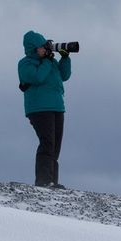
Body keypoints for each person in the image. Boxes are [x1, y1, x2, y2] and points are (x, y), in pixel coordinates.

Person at [17, 30, 72, 189]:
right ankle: (43, 181)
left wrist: (65, 57)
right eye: (42, 46)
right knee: (47, 142)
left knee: (55, 146)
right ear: (33, 48)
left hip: (57, 106)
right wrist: (47, 61)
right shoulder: (25, 63)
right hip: (39, 108)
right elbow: (37, 77)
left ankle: (52, 181)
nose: (45, 49)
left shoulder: (49, 62)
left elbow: (64, 75)